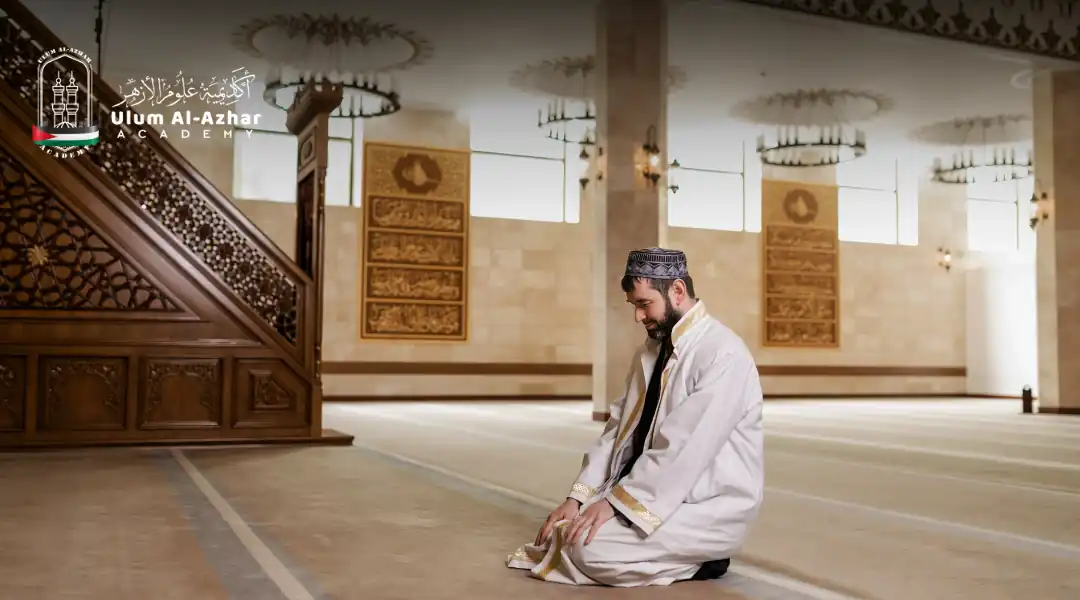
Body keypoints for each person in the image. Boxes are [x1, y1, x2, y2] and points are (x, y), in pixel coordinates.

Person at [506, 247, 765, 587]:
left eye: (645, 304)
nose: (638, 317)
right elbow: (617, 434)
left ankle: (704, 560)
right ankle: (657, 549)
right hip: (656, 495)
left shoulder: (722, 354)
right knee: (566, 532)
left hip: (707, 507)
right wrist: (578, 498)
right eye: (634, 306)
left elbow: (682, 451)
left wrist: (613, 504)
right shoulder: (651, 352)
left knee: (588, 549)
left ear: (677, 291)